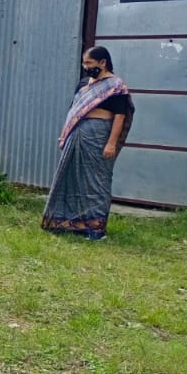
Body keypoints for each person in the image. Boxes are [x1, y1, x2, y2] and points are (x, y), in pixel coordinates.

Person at [42, 46, 134, 240]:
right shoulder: (84, 84)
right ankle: (69, 222)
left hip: (99, 135)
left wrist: (111, 143)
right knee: (71, 176)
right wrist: (63, 134)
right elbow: (73, 110)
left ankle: (96, 229)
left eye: (89, 63)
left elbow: (119, 117)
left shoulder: (115, 86)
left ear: (103, 62)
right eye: (84, 63)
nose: (86, 67)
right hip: (77, 133)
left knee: (97, 181)